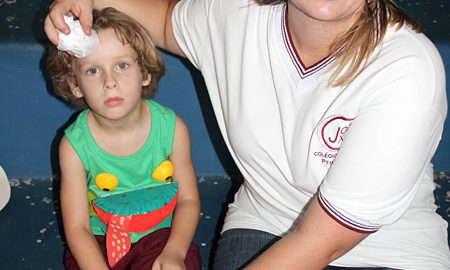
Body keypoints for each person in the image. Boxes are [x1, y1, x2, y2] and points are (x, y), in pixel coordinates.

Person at [45, 0, 450, 269]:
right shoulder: (236, 13)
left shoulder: (406, 70)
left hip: (390, 248)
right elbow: (168, 21)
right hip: (266, 221)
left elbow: (324, 241)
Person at [46, 7, 201, 270]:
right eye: (93, 71)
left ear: (145, 73)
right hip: (99, 241)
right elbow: (78, 227)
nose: (110, 82)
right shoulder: (74, 145)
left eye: (122, 65)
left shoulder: (172, 129)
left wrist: (174, 252)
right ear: (75, 84)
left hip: (160, 238)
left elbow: (188, 200)